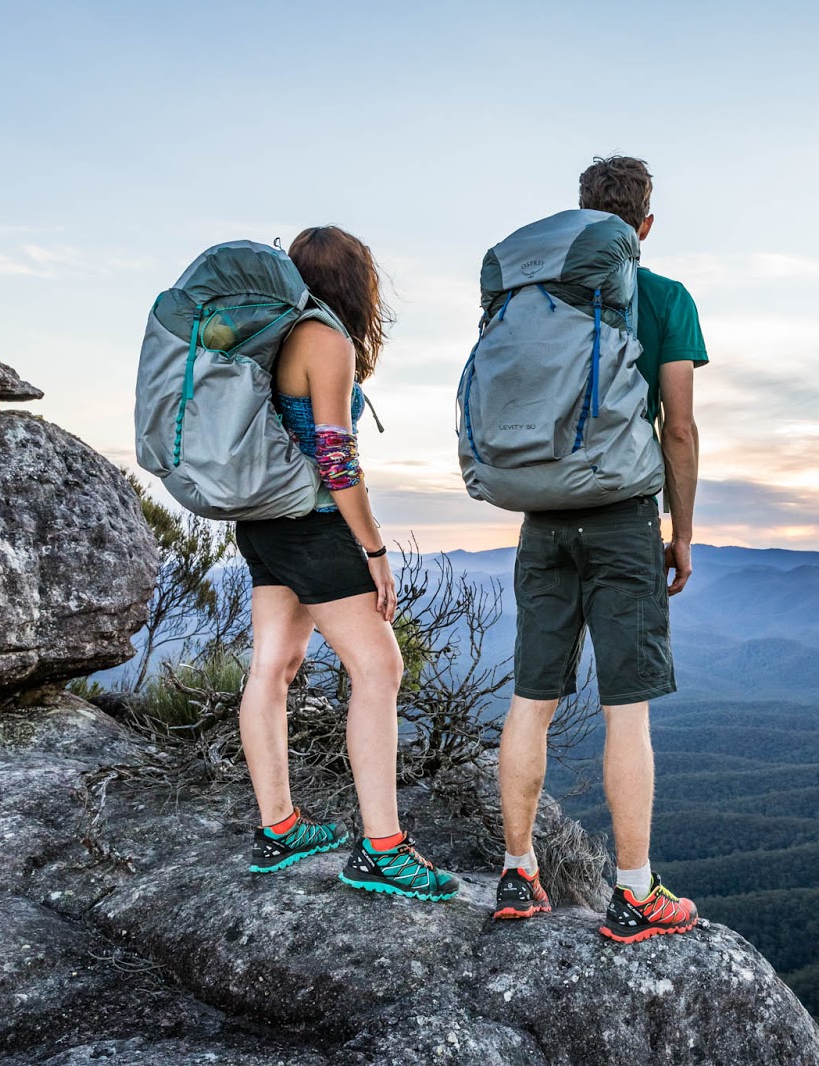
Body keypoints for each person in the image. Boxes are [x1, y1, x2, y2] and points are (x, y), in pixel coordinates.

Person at [493, 157, 708, 942]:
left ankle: (518, 876)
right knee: (627, 711)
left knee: (532, 700)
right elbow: (677, 426)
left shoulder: (535, 297)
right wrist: (680, 531)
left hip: (543, 517)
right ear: (644, 226)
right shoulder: (663, 298)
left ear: (581, 216)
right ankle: (634, 892)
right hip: (621, 519)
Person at [232, 225, 458, 902]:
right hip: (313, 527)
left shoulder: (272, 339)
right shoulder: (324, 340)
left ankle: (279, 829)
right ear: (358, 285)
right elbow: (334, 456)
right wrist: (374, 547)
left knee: (273, 667)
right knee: (380, 666)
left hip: (264, 523)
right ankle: (382, 849)